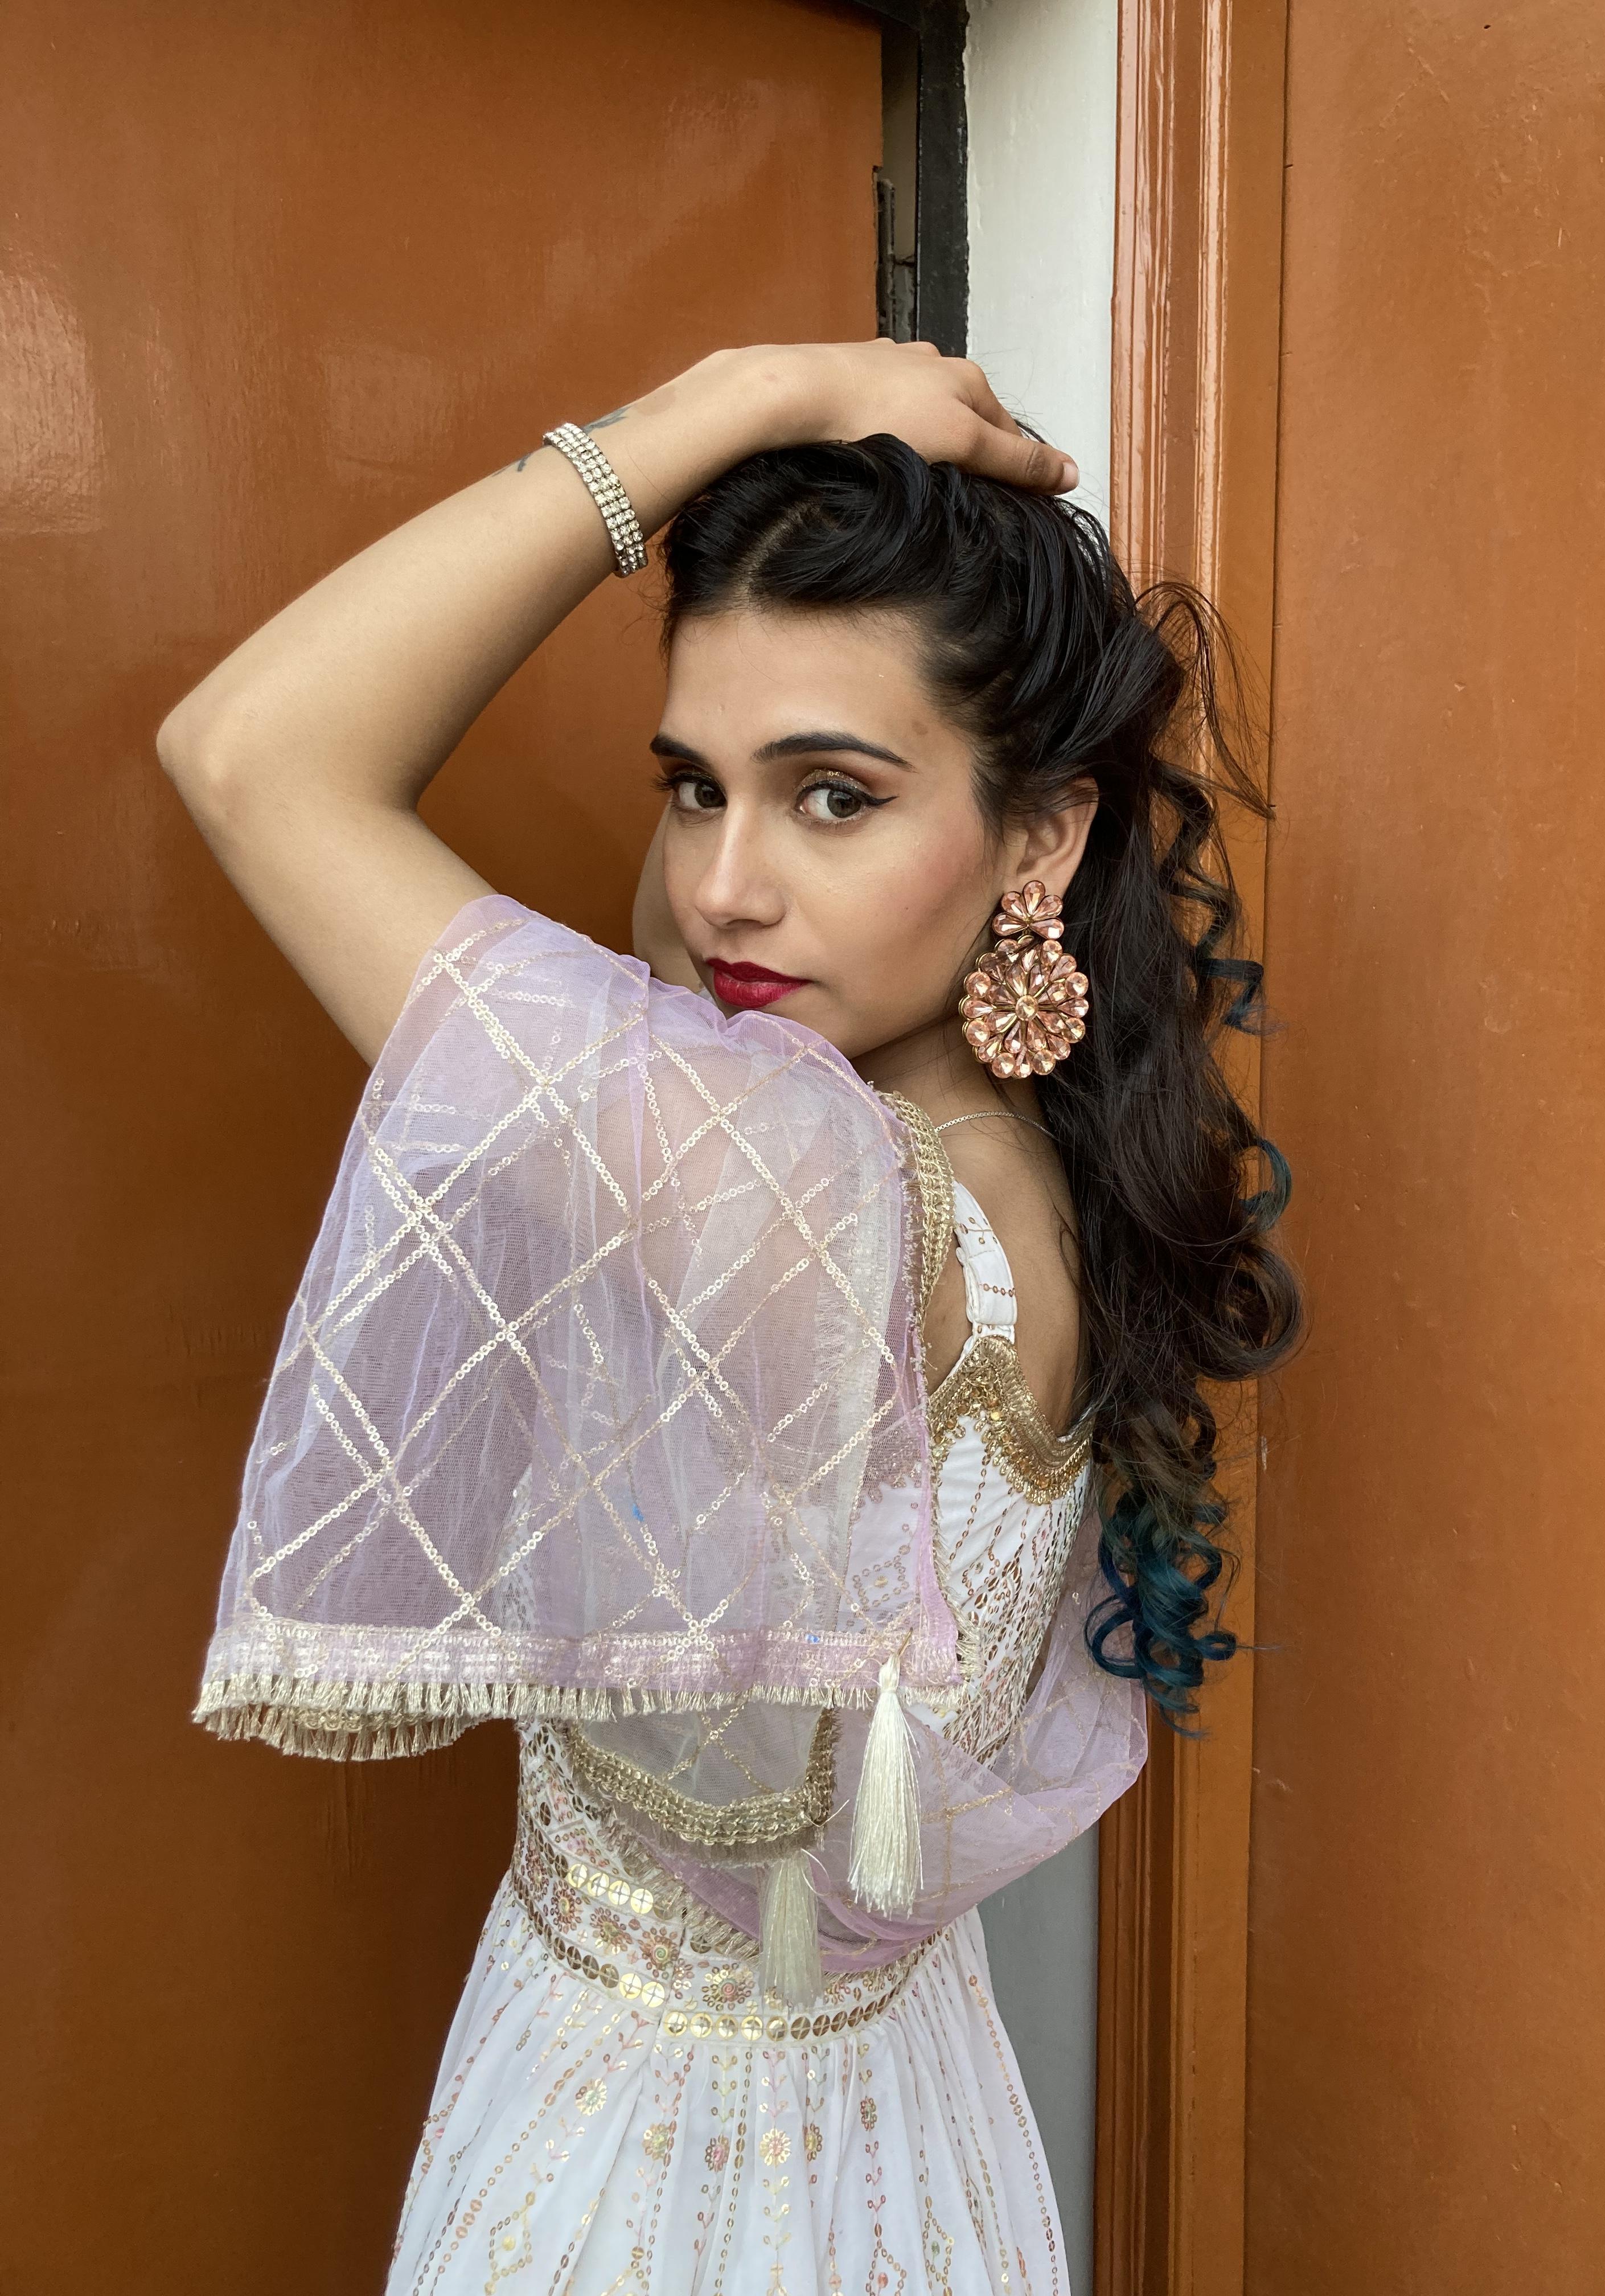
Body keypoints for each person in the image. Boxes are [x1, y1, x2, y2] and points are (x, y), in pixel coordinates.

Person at [160, 339, 1299, 2295]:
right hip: (900, 2126)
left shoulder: (778, 1196)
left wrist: (741, 397)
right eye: (694, 787)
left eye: (834, 797)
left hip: (648, 2171)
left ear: (1043, 836)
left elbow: (251, 752)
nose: (723, 889)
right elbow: (683, 935)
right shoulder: (1019, 1154)